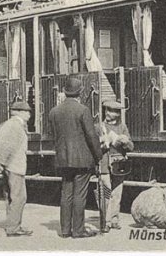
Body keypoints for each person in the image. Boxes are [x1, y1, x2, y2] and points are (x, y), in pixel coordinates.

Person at [48, 76, 103, 238]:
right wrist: (98, 155)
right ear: (80, 92)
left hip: (63, 160)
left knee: (66, 194)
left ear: (65, 92)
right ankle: (78, 230)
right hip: (82, 160)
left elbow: (54, 136)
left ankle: (65, 230)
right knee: (80, 194)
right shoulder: (83, 110)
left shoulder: (54, 111)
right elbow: (91, 136)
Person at [0, 101, 33, 237]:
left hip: (9, 165)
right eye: (27, 112)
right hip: (14, 166)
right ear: (19, 112)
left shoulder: (8, 124)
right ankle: (14, 228)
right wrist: (1, 163)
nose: (29, 115)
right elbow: (9, 147)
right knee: (19, 197)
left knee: (11, 196)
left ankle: (12, 225)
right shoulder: (15, 126)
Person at [97, 100, 134, 232]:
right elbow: (94, 148)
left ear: (118, 114)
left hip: (119, 165)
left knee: (117, 193)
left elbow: (131, 147)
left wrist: (125, 142)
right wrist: (102, 143)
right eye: (107, 110)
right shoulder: (99, 127)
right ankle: (105, 222)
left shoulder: (122, 127)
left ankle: (114, 219)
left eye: (112, 111)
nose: (108, 113)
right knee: (106, 193)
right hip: (104, 164)